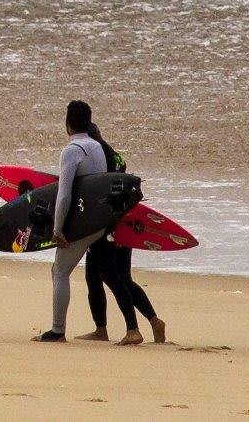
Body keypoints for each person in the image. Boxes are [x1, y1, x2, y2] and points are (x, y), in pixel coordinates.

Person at [76, 115, 166, 346]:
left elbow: (94, 191)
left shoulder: (95, 155)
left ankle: (132, 329)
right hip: (125, 222)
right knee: (106, 277)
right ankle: (151, 321)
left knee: (110, 277)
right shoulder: (115, 155)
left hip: (105, 224)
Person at [34, 100, 107, 342]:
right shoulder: (96, 147)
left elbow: (64, 193)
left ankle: (57, 331)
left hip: (82, 225)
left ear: (67, 125)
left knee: (60, 271)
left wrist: (57, 229)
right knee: (106, 277)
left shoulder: (72, 150)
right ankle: (119, 327)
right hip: (100, 222)